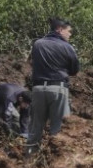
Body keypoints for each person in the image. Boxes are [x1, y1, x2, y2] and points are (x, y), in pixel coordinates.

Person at [25, 18, 80, 157]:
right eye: (69, 31)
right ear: (59, 30)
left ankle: (29, 159)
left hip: (38, 90)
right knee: (58, 128)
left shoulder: (37, 44)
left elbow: (31, 62)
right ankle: (55, 160)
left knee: (35, 127)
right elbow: (74, 70)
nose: (70, 34)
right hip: (58, 89)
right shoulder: (67, 47)